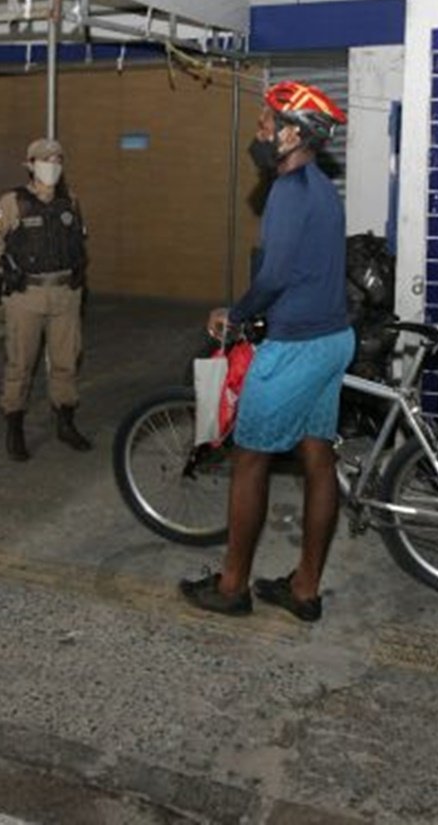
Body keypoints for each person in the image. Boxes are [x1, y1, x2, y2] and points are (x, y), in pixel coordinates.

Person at [179, 82, 353, 622]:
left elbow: (275, 274)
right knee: (318, 457)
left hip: (297, 345)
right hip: (334, 339)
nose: (258, 129)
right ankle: (304, 588)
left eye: (265, 121)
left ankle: (232, 587)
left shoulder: (288, 191)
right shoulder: (324, 188)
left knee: (249, 460)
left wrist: (236, 311)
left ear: (292, 134)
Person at [0, 138, 91, 461]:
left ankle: (65, 422)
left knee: (66, 361)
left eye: (58, 159)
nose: (52, 165)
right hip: (26, 295)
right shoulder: (12, 202)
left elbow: (80, 240)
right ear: (30, 164)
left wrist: (79, 271)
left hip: (64, 294)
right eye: (45, 159)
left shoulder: (70, 201)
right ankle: (15, 428)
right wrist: (7, 270)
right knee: (20, 362)